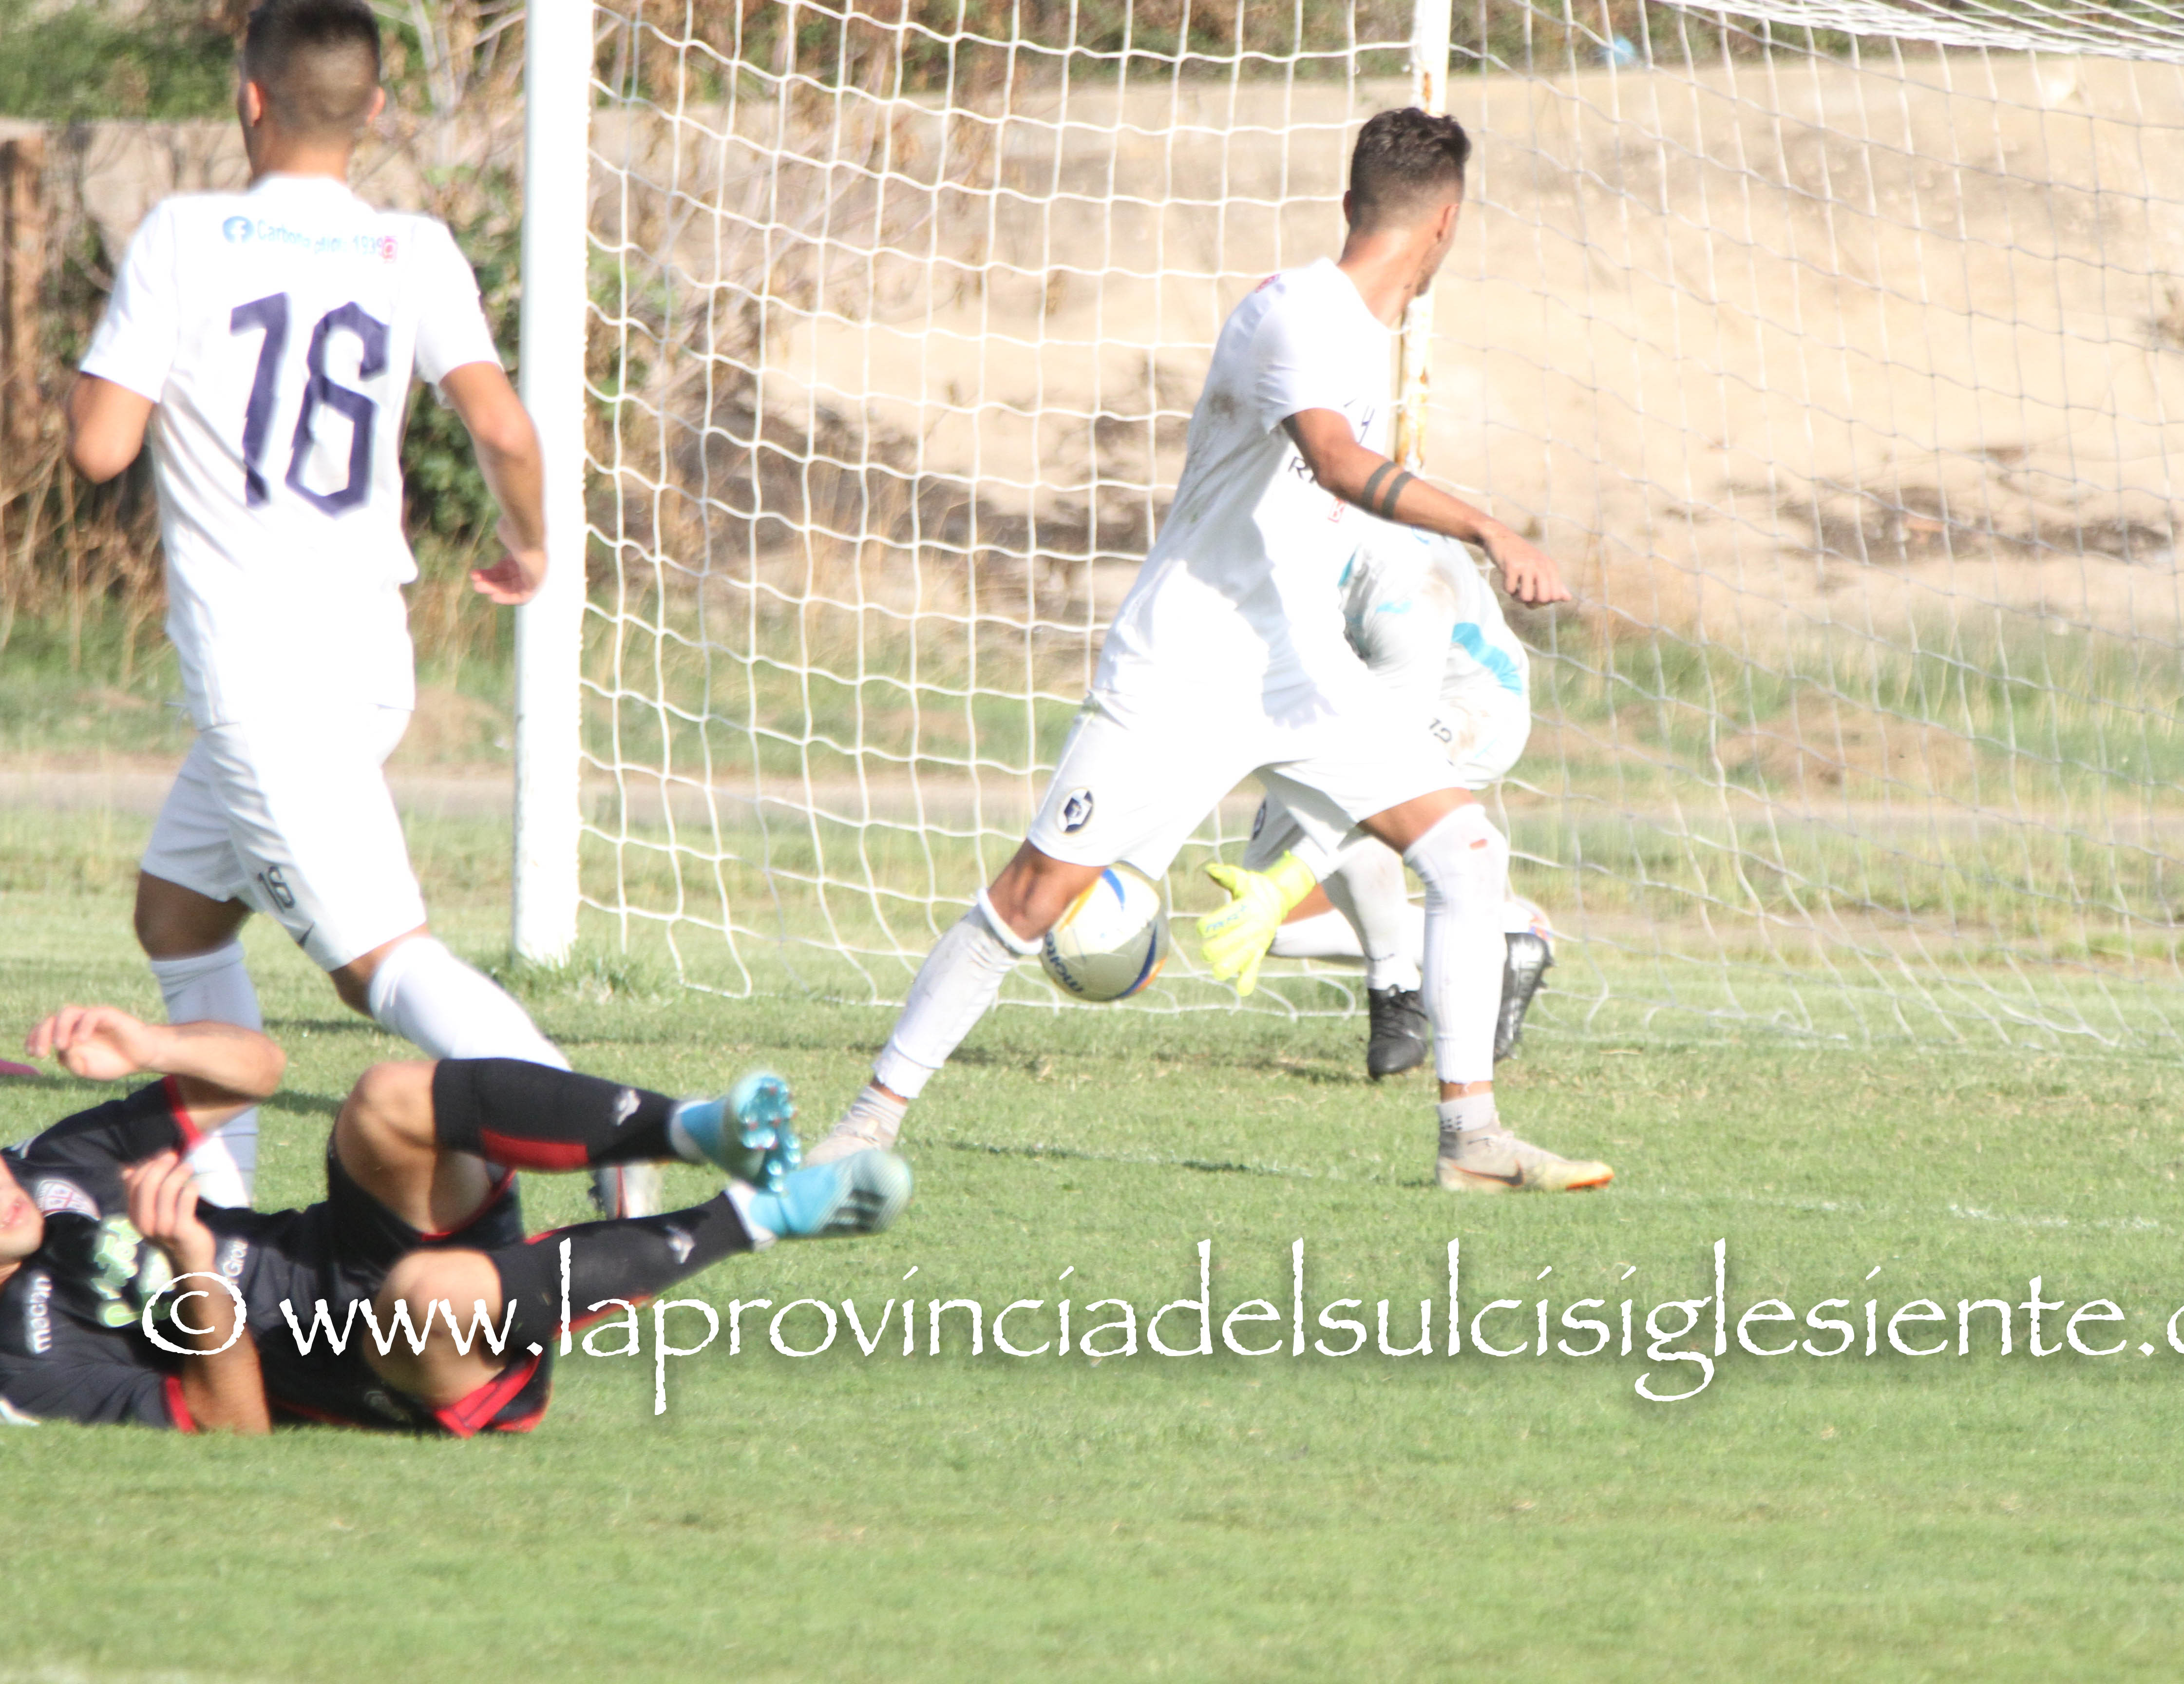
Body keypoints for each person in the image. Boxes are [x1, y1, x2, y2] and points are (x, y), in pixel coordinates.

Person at [804, 108, 1612, 1194]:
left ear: (1350, 203)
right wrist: (1488, 528)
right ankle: (866, 1124)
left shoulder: (1358, 335)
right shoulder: (1295, 315)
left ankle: (1471, 1139)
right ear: (1447, 225)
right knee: (1034, 895)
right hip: (1184, 661)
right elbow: (1333, 461)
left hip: (1300, 664)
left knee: (1466, 855)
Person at [59, 1, 650, 1212]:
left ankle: (605, 1134)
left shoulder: (183, 235)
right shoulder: (411, 249)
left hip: (260, 676)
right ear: (375, 109)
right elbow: (503, 428)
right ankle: (218, 1219)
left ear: (249, 96)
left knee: (379, 963)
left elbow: (100, 447)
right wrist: (531, 544)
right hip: (367, 656)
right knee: (177, 918)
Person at [0, 1005, 908, 1434]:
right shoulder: (22, 1368)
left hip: (348, 1241)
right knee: (424, 1294)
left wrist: (153, 1046)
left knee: (384, 1096)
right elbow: (230, 1427)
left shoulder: (48, 1167)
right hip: (376, 1362)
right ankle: (759, 1214)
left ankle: (695, 1129)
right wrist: (196, 1266)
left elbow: (258, 1069)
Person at [1213, 517, 1556, 1078]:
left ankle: (1394, 987)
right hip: (1355, 711)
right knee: (1279, 928)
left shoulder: (1405, 582)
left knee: (1360, 802)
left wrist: (1289, 879)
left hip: (1473, 705)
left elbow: (1384, 767)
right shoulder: (1263, 542)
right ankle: (1508, 940)